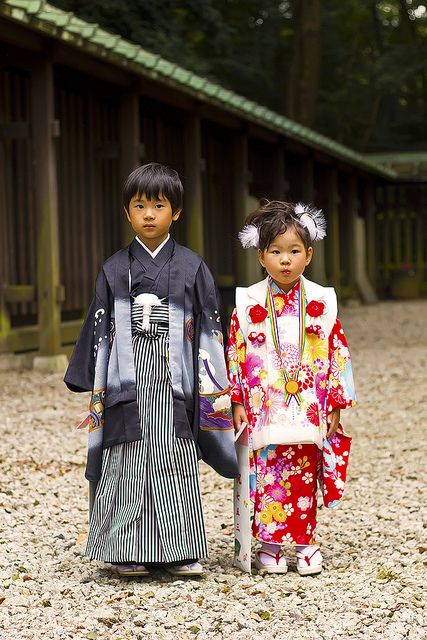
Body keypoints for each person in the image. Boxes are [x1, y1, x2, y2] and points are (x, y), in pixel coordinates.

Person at [64, 162, 238, 577]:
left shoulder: (193, 268)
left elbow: (210, 332)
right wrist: (94, 382)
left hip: (176, 382)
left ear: (175, 212)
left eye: (157, 205)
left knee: (174, 459)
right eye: (139, 205)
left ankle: (179, 549)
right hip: (127, 383)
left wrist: (215, 386)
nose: (148, 214)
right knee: (126, 457)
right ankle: (124, 548)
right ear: (127, 212)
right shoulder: (112, 269)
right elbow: (100, 327)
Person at [227, 200, 356, 575]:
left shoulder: (322, 301)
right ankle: (268, 545)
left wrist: (334, 403)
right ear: (261, 257)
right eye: (276, 252)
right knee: (267, 471)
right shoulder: (247, 301)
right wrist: (236, 399)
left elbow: (337, 351)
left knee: (303, 471)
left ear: (309, 255)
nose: (285, 260)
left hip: (308, 403)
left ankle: (305, 542)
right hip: (263, 402)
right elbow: (234, 350)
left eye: (294, 251)